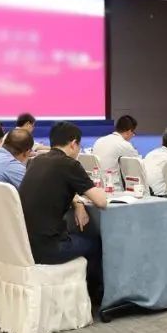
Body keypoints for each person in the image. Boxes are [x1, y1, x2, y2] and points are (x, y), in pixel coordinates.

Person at [19, 121, 107, 303]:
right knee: (95, 243)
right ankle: (96, 298)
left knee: (76, 232)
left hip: (25, 244)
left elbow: (57, 188)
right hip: (48, 248)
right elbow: (101, 201)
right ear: (74, 143)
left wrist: (78, 203)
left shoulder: (36, 161)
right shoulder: (69, 164)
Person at [92, 115, 140, 189]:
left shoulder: (99, 140)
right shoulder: (124, 144)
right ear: (129, 131)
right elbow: (138, 165)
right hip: (113, 188)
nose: (133, 135)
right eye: (133, 133)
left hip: (96, 187)